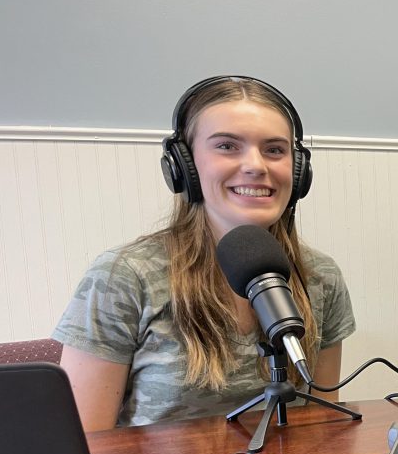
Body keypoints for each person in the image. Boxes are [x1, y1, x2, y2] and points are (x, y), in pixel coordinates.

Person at [53, 76, 356, 431]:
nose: (256, 166)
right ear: (185, 167)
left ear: (299, 170)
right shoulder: (125, 275)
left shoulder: (319, 276)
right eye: (227, 146)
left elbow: (320, 426)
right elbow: (85, 448)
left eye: (274, 150)